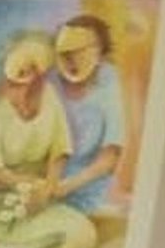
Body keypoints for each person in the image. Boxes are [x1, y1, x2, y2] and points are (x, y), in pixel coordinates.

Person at [0, 31, 97, 248]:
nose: (22, 85)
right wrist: (30, 185)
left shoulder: (50, 98)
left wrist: (49, 186)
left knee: (84, 234)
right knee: (68, 239)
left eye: (32, 74)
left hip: (38, 198)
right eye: (17, 78)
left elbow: (60, 148)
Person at [48, 14, 125, 217]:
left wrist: (67, 186)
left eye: (80, 51)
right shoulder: (48, 82)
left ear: (99, 53)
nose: (70, 60)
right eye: (63, 52)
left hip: (88, 191)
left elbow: (111, 156)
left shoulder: (110, 82)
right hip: (44, 186)